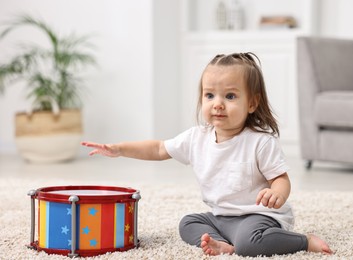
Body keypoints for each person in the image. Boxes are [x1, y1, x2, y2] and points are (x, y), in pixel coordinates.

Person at [82, 52, 332, 257]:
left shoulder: (259, 142)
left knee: (250, 245)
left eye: (230, 96)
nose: (218, 103)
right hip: (222, 218)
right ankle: (224, 244)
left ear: (252, 103)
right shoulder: (196, 137)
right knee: (188, 223)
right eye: (210, 95)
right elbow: (159, 149)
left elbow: (281, 179)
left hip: (259, 217)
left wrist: (276, 193)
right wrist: (119, 149)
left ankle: (303, 241)